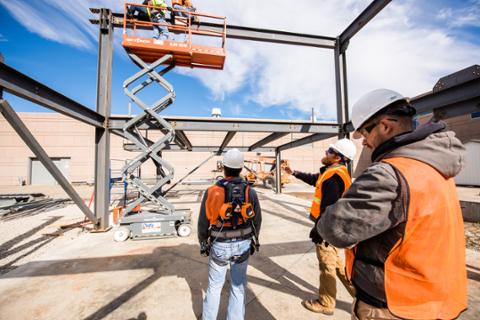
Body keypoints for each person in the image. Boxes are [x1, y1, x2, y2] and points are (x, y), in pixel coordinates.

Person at [316, 89, 468, 319]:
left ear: (386, 126)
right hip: (437, 297)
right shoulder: (434, 165)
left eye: (365, 133)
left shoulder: (389, 174)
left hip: (396, 304)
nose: (364, 142)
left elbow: (334, 229)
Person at [284, 139, 357, 315]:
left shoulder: (334, 177)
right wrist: (293, 172)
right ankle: (360, 295)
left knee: (327, 266)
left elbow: (328, 210)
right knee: (338, 265)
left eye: (330, 151)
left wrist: (318, 230)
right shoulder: (332, 172)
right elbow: (314, 180)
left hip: (328, 228)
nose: (326, 152)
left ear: (338, 157)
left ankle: (326, 303)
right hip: (333, 227)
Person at [198, 149, 262, 320]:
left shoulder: (212, 191)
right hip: (243, 245)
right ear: (241, 169)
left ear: (224, 167)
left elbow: (203, 222)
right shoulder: (250, 192)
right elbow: (257, 220)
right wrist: (254, 241)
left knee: (214, 287)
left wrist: (203, 242)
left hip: (219, 244)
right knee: (238, 286)